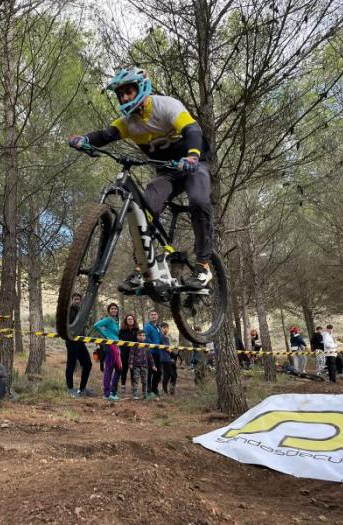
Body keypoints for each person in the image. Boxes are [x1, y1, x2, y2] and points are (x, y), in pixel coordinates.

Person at [68, 66, 214, 292]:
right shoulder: (128, 122)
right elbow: (105, 135)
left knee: (198, 201)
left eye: (129, 91)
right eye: (120, 94)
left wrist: (192, 156)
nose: (124, 97)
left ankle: (203, 266)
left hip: (193, 165)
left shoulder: (166, 105)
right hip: (166, 172)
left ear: (141, 88)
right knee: (143, 210)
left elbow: (193, 130)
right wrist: (84, 139)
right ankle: (144, 267)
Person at [65, 293, 93, 397]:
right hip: (71, 342)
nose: (77, 301)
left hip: (81, 342)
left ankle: (82, 388)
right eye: (75, 299)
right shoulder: (69, 311)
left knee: (88, 364)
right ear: (72, 300)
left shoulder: (82, 312)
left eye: (79, 299)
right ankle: (70, 389)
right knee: (71, 365)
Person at [93, 303, 121, 401]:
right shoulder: (108, 319)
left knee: (119, 369)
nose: (114, 310)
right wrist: (105, 335)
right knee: (109, 370)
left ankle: (113, 391)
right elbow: (96, 325)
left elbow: (115, 333)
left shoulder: (116, 321)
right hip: (110, 346)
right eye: (112, 309)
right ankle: (107, 393)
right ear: (109, 311)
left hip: (116, 346)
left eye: (115, 308)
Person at [129, 330, 156, 400]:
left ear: (145, 337)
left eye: (143, 336)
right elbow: (131, 355)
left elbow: (150, 357)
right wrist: (131, 363)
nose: (142, 337)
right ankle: (135, 394)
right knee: (135, 380)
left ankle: (145, 394)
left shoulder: (146, 346)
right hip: (136, 366)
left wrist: (153, 365)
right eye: (140, 335)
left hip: (145, 366)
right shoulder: (134, 345)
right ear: (137, 336)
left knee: (145, 381)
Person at [118, 314, 139, 394]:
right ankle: (123, 386)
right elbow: (118, 340)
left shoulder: (137, 330)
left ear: (134, 320)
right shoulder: (122, 330)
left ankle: (134, 387)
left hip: (134, 353)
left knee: (133, 371)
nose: (130, 320)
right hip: (124, 353)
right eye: (128, 319)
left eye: (131, 319)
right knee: (124, 370)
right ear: (126, 321)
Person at [144, 310, 163, 396]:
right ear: (149, 316)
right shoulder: (147, 326)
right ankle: (148, 390)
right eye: (152, 315)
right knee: (150, 371)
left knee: (158, 372)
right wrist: (153, 345)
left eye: (155, 314)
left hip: (159, 353)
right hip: (150, 352)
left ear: (157, 316)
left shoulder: (158, 327)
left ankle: (154, 389)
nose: (153, 316)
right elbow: (146, 338)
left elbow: (161, 339)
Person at [160, 322, 177, 395]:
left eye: (166, 327)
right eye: (163, 328)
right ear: (161, 329)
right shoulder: (161, 337)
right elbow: (166, 348)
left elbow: (171, 347)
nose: (165, 329)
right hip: (164, 358)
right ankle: (164, 390)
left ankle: (171, 389)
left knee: (174, 375)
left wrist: (173, 356)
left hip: (170, 358)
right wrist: (172, 353)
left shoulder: (168, 337)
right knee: (168, 374)